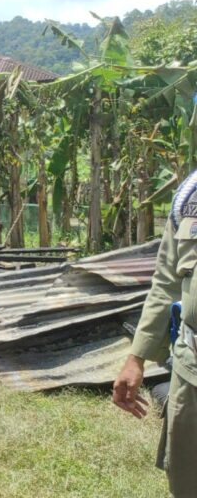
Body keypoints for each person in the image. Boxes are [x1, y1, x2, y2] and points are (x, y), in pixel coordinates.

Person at [113, 166, 197, 496]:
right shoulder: (191, 199)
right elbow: (167, 283)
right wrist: (137, 358)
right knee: (186, 479)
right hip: (191, 377)